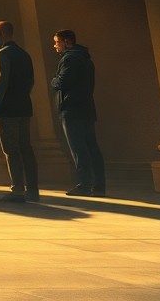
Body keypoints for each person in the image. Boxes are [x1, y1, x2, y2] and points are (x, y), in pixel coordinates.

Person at [0, 20, 38, 203]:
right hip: (24, 107)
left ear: (2, 33)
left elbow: (0, 82)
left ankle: (17, 190)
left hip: (8, 110)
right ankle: (33, 189)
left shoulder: (2, 54)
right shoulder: (24, 54)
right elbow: (31, 80)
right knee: (26, 148)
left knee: (11, 150)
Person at [50, 29, 104, 196]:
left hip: (71, 109)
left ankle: (85, 184)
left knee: (78, 148)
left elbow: (62, 81)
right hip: (86, 107)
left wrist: (53, 80)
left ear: (66, 42)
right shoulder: (85, 58)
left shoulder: (70, 58)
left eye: (57, 42)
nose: (54, 46)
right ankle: (99, 186)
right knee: (91, 146)